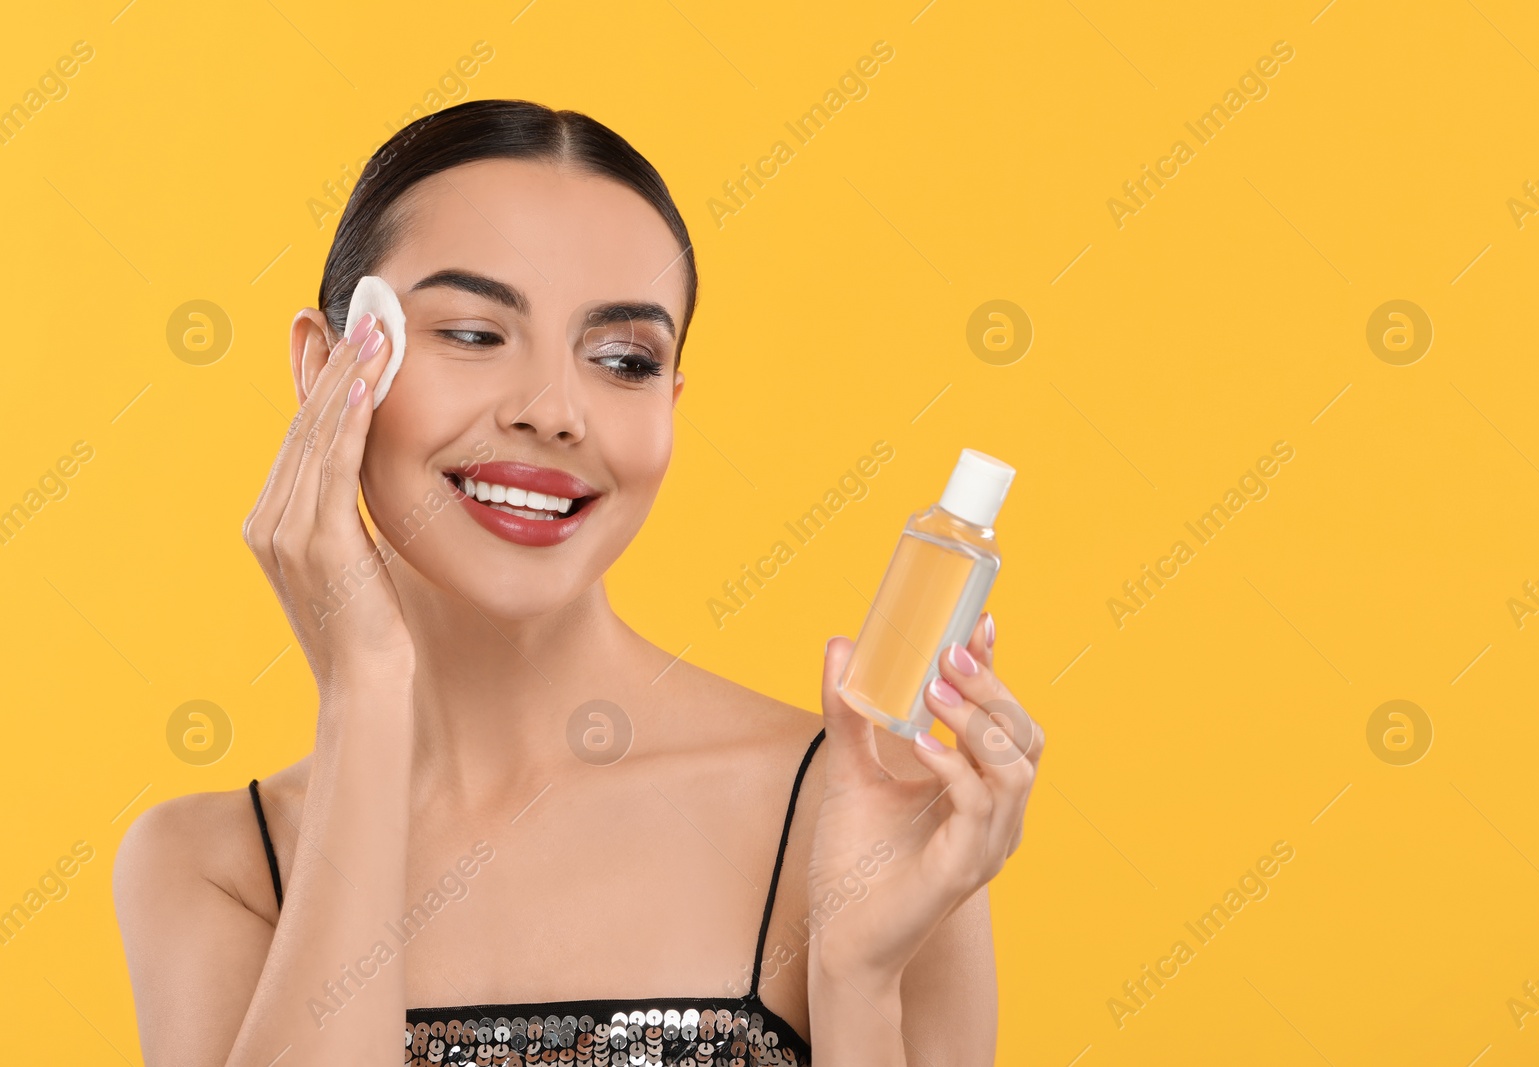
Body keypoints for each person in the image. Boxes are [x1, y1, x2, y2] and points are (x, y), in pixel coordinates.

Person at [113, 98, 1043, 1067]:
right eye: (474, 333)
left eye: (621, 359)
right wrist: (364, 692)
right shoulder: (215, 868)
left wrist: (855, 979)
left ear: (669, 403)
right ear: (324, 366)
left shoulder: (855, 810)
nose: (555, 410)